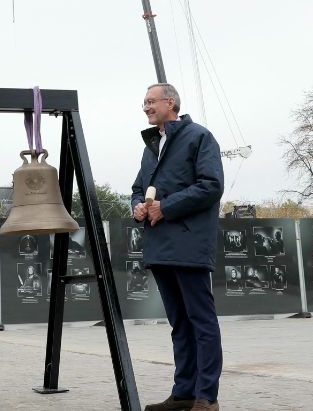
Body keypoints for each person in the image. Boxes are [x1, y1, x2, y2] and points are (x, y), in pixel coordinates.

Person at [130, 83, 224, 411]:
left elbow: (211, 186)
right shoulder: (150, 145)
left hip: (188, 243)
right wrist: (138, 206)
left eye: (151, 101)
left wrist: (165, 207)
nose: (145, 107)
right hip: (159, 245)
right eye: (144, 103)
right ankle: (184, 393)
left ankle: (206, 398)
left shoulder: (199, 136)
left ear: (170, 102)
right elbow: (138, 188)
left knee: (201, 321)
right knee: (179, 323)